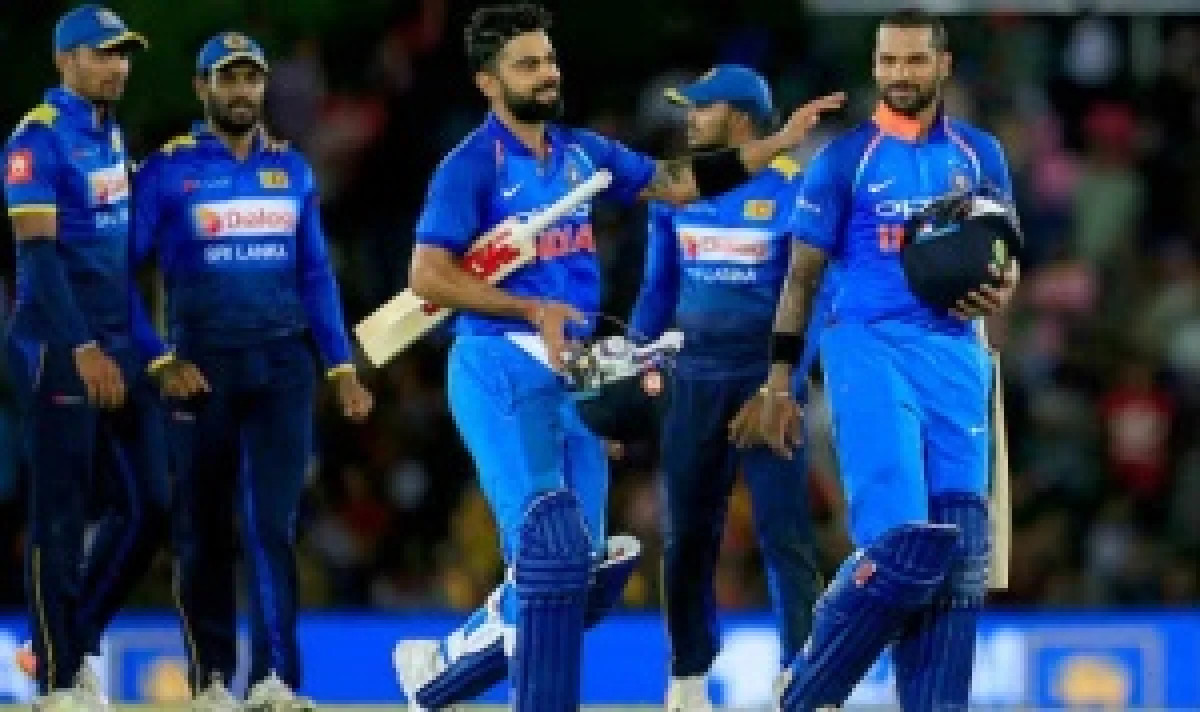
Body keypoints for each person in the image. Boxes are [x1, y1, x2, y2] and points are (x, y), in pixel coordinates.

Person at [388, 4, 844, 710]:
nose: (546, 74)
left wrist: (778, 143)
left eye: (548, 60)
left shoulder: (581, 152)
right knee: (549, 552)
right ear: (488, 82)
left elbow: (678, 182)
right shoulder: (471, 167)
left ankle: (442, 667)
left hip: (573, 374)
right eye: (527, 65)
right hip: (498, 363)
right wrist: (529, 309)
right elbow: (427, 278)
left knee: (584, 573)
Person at [730, 10, 1021, 711]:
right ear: (874, 65)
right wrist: (779, 382)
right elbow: (800, 279)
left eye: (915, 60)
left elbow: (1003, 254)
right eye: (888, 60)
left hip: (956, 356)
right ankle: (806, 691)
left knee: (960, 560)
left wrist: (1004, 284)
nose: (900, 74)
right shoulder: (843, 161)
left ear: (943, 66)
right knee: (903, 549)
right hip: (867, 348)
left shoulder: (980, 154)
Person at [131, 31, 373, 711]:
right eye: (228, 78)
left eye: (252, 78)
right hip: (199, 371)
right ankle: (211, 680)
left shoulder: (292, 170)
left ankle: (274, 682)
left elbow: (316, 274)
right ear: (202, 88)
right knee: (202, 530)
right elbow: (121, 276)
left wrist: (341, 366)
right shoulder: (166, 171)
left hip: (282, 369)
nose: (242, 91)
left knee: (272, 526)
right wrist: (158, 359)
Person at [627, 65, 826, 711]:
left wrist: (784, 386)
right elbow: (658, 289)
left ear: (739, 116)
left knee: (784, 532)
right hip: (693, 377)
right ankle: (688, 677)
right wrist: (629, 362)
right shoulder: (678, 188)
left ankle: (802, 676)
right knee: (687, 534)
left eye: (701, 109)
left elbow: (813, 297)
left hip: (764, 377)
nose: (689, 119)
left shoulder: (794, 187)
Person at [2, 6, 165, 709]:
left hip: (117, 345)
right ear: (65, 60)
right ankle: (59, 679)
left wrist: (143, 349)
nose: (118, 67)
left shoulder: (110, 132)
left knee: (153, 504)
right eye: (104, 54)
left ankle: (68, 643)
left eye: (123, 55)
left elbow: (119, 254)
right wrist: (83, 348)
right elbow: (38, 261)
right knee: (60, 516)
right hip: (56, 346)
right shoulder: (36, 139)